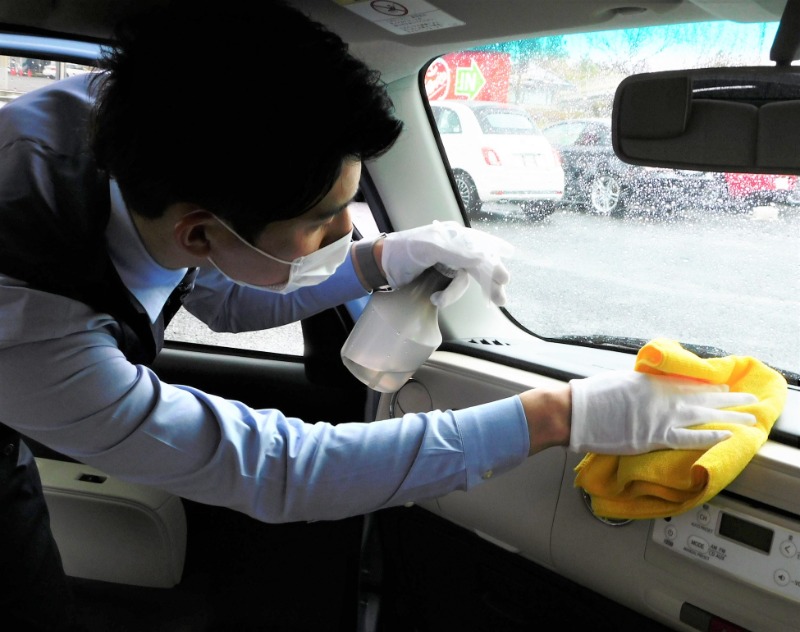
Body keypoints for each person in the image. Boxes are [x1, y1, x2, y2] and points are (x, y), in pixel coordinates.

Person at [0, 1, 758, 630]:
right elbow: (275, 468)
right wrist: (557, 415)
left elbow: (212, 291)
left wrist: (379, 260)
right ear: (201, 229)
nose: (349, 229)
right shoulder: (31, 321)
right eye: (323, 222)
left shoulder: (135, 126)